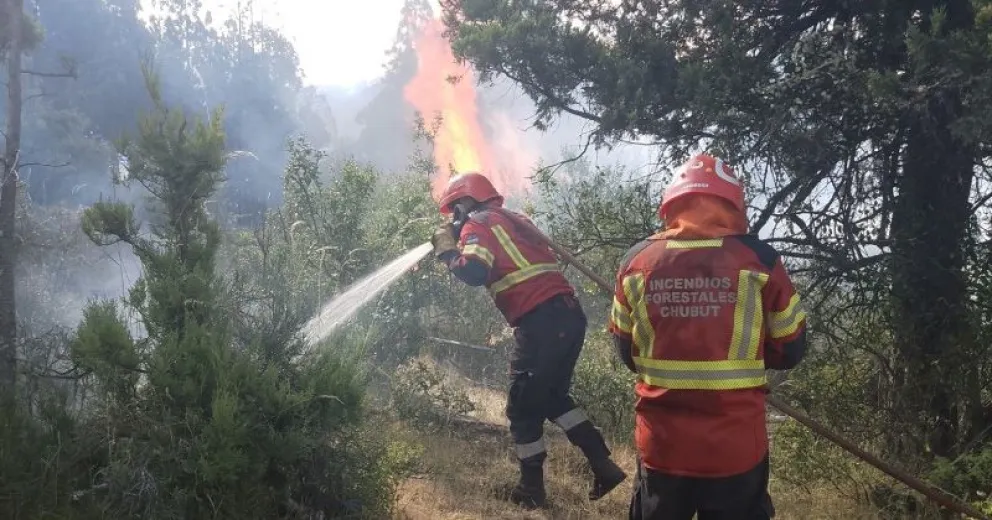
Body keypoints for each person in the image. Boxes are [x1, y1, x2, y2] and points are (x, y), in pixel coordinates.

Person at [608, 154, 808, 520]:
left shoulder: (635, 262)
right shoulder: (759, 260)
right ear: (733, 204)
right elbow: (791, 348)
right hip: (735, 448)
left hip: (662, 446)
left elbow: (626, 351)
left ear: (670, 204)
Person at [430, 172, 627, 508]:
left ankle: (531, 491)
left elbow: (475, 272)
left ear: (466, 201)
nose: (454, 217)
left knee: (521, 407)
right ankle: (604, 467)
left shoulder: (478, 223)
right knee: (552, 398)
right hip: (567, 317)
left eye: (455, 209)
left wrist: (448, 252)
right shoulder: (515, 221)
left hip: (541, 321)